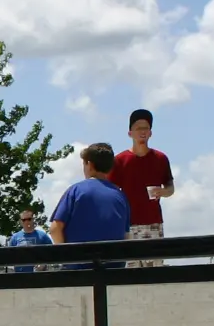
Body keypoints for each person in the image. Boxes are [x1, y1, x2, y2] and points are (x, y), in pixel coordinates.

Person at [113, 109, 174, 266]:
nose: (142, 132)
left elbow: (170, 186)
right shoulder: (120, 161)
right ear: (130, 133)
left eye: (145, 128)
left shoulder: (161, 158)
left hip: (154, 224)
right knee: (130, 276)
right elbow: (112, 192)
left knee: (154, 275)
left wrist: (165, 192)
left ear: (151, 133)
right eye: (138, 128)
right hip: (129, 225)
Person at [49, 144, 132, 247]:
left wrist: (66, 257)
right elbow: (126, 235)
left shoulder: (76, 191)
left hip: (79, 260)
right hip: (113, 261)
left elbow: (55, 229)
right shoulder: (121, 197)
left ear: (90, 164)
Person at [6, 209, 54, 274]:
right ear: (20, 222)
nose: (26, 222)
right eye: (24, 220)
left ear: (33, 220)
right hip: (20, 276)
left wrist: (44, 264)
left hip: (39, 276)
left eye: (29, 219)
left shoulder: (42, 235)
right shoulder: (15, 237)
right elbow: (10, 256)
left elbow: (52, 252)